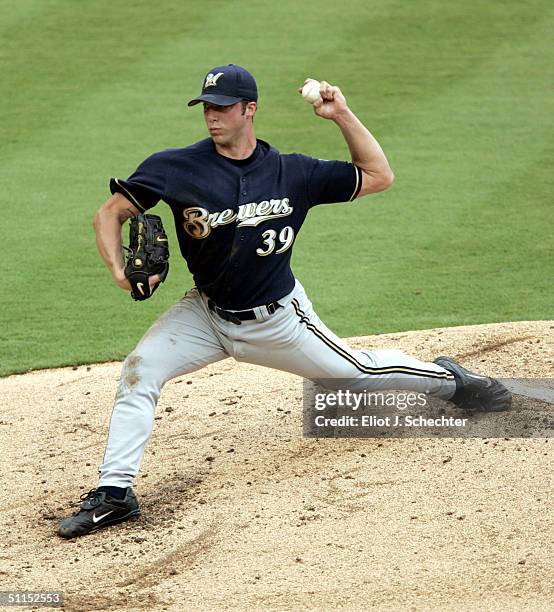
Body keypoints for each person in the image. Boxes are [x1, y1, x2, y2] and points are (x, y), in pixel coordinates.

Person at [57, 64, 511, 538]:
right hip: (204, 314)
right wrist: (120, 275)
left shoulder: (293, 172)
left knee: (359, 374)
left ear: (249, 110)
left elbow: (378, 175)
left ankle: (452, 380)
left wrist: (341, 115)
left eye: (223, 107)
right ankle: (115, 495)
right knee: (140, 370)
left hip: (277, 322)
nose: (212, 117)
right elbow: (109, 215)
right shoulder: (176, 167)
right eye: (206, 107)